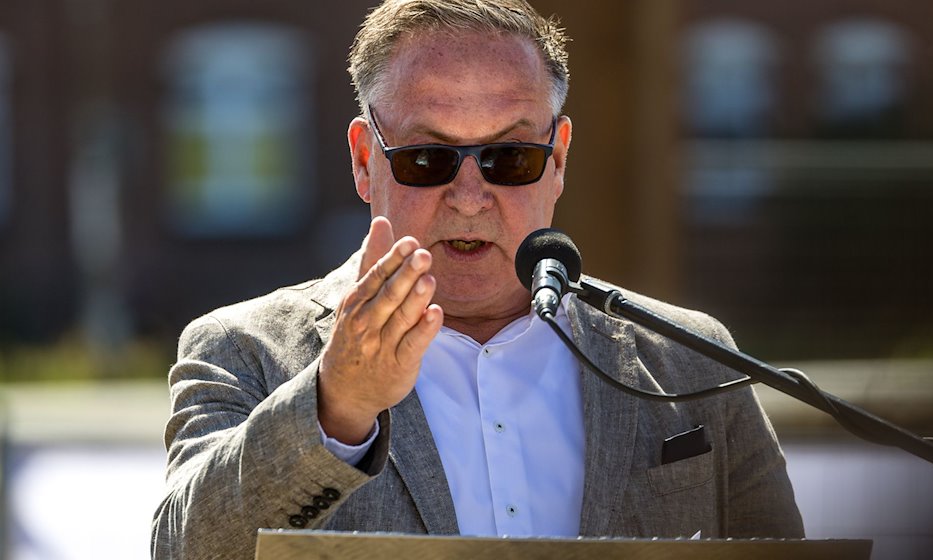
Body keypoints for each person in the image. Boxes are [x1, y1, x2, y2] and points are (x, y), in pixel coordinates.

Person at [151, 1, 803, 557]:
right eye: (428, 158)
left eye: (510, 157)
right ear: (362, 160)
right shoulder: (244, 350)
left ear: (558, 160)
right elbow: (186, 549)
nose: (469, 196)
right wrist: (336, 406)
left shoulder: (694, 359)